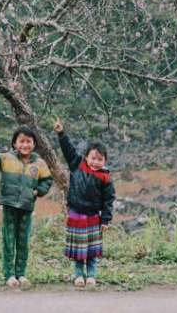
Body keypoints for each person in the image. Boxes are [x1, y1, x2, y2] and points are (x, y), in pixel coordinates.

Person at [0, 121, 54, 287]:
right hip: (9, 205)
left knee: (23, 241)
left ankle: (21, 273)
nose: (25, 145)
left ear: (34, 144)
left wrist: (36, 192)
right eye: (21, 141)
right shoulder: (6, 158)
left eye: (29, 141)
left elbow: (47, 180)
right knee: (8, 241)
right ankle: (9, 275)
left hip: (26, 206)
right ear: (15, 143)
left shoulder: (39, 163)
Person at [53, 118, 115, 287]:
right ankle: (79, 275)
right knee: (79, 249)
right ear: (86, 156)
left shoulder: (106, 178)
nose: (96, 162)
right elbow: (68, 149)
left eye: (100, 159)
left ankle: (92, 276)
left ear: (105, 161)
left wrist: (105, 220)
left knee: (92, 250)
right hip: (76, 214)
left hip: (93, 217)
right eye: (93, 158)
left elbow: (109, 200)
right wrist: (61, 133)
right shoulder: (77, 164)